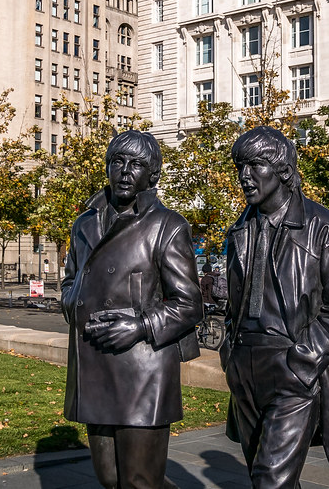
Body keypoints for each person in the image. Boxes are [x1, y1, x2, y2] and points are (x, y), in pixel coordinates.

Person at [61, 130, 203, 489]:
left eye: (137, 165)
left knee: (140, 481)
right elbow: (70, 279)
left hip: (144, 368)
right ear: (107, 167)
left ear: (151, 176)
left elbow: (190, 304)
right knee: (109, 478)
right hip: (95, 364)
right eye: (118, 161)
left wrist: (140, 325)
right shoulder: (84, 223)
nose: (125, 171)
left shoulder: (167, 226)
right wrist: (72, 304)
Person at [222, 126, 329, 488]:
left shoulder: (320, 225)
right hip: (245, 368)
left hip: (291, 366)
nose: (244, 177)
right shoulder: (240, 228)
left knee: (271, 479)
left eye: (254, 165)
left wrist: (304, 357)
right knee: (267, 474)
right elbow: (233, 302)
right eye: (240, 167)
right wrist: (228, 349)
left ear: (282, 169)